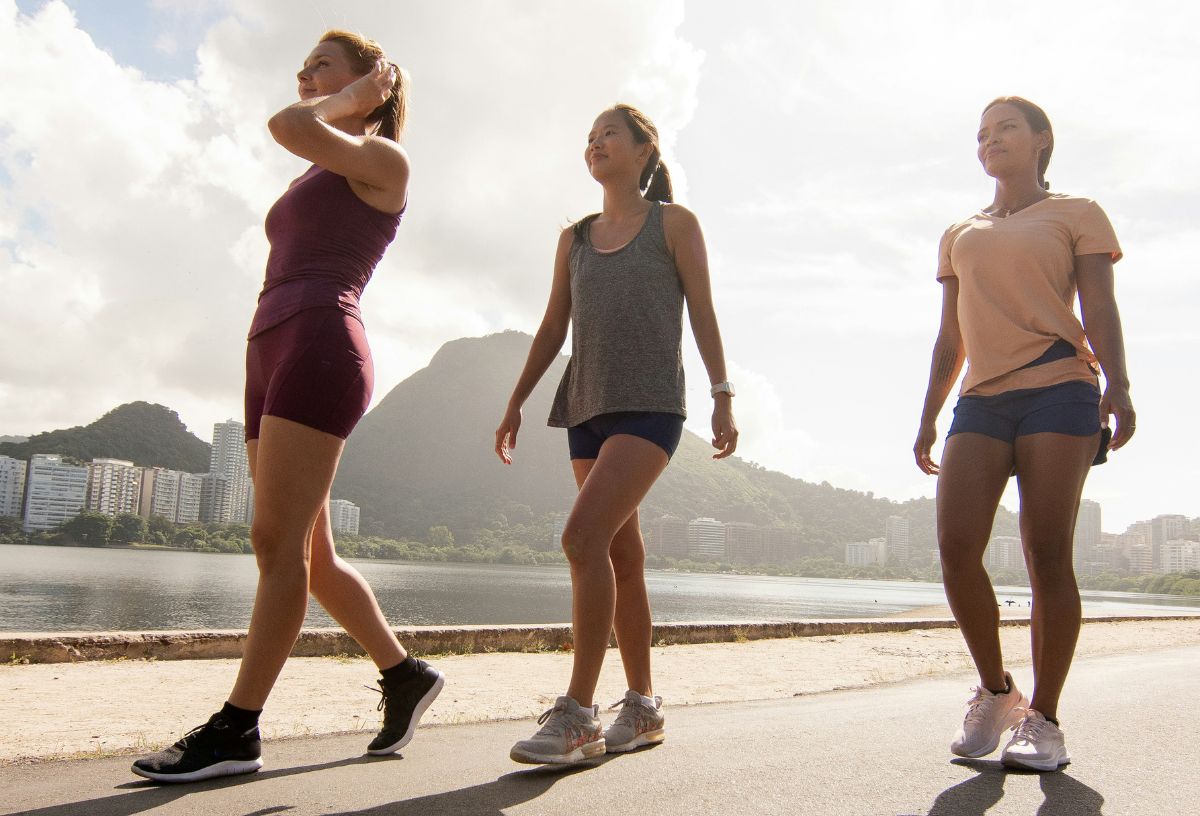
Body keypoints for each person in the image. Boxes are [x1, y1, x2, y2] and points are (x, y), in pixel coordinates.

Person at [132, 30, 443, 783]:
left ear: (372, 82)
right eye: (302, 67)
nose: (304, 76)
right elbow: (298, 134)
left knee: (275, 546)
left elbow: (287, 125)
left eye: (321, 66)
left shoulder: (382, 160)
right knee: (312, 556)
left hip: (320, 342)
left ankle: (237, 730)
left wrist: (356, 100)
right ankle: (405, 676)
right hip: (270, 344)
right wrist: (342, 96)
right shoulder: (322, 162)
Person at [494, 104, 738, 765]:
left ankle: (577, 716)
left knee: (581, 537)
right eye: (590, 137)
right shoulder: (573, 238)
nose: (596, 143)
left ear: (643, 151)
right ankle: (644, 704)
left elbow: (704, 311)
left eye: (609, 135)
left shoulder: (674, 224)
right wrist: (516, 400)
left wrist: (722, 393)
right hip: (586, 408)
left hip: (651, 406)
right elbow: (552, 327)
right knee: (622, 559)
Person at [913, 97, 1134, 772]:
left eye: (1006, 126)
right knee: (955, 547)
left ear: (1041, 140)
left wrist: (1118, 385)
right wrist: (927, 414)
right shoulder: (960, 231)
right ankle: (997, 690)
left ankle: (1046, 720)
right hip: (981, 400)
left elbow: (1098, 304)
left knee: (1045, 553)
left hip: (1058, 387)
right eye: (982, 133)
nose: (991, 139)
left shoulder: (1076, 214)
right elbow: (951, 334)